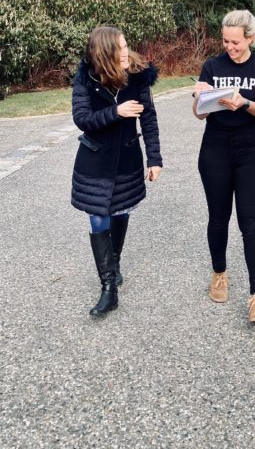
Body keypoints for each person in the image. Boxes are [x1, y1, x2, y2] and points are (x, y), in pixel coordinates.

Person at [71, 26, 162, 317]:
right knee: (99, 217)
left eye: (126, 46)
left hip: (127, 159)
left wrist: (154, 159)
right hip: (94, 161)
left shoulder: (137, 76)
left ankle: (115, 261)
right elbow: (82, 118)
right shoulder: (86, 79)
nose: (126, 52)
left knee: (121, 211)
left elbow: (148, 118)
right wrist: (117, 112)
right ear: (105, 54)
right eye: (119, 48)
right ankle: (108, 288)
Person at [193, 10, 255, 323]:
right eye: (226, 41)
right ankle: (219, 274)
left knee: (251, 222)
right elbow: (199, 114)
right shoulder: (212, 66)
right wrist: (201, 96)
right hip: (214, 146)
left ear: (250, 39)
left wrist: (244, 103)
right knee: (218, 217)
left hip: (250, 149)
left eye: (236, 42)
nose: (230, 47)